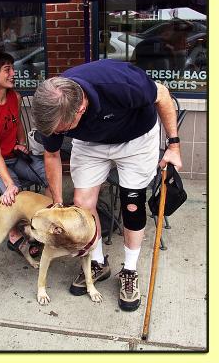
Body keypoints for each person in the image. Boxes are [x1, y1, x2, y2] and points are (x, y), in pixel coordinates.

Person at [31, 59, 182, 311]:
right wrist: (58, 203)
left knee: (132, 204)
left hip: (136, 139)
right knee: (82, 205)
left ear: (79, 108)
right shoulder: (52, 111)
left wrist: (174, 145)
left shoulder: (120, 83)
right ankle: (98, 262)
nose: (57, 133)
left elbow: (163, 96)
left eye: (62, 130)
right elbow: (52, 155)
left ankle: (130, 271)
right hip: (91, 145)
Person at [0, 51, 50, 257]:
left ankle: (44, 225)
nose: (13, 73)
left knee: (50, 176)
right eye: (7, 69)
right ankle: (16, 234)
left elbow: (17, 127)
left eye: (12, 68)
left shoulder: (14, 97)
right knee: (14, 190)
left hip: (14, 157)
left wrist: (21, 144)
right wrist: (8, 183)